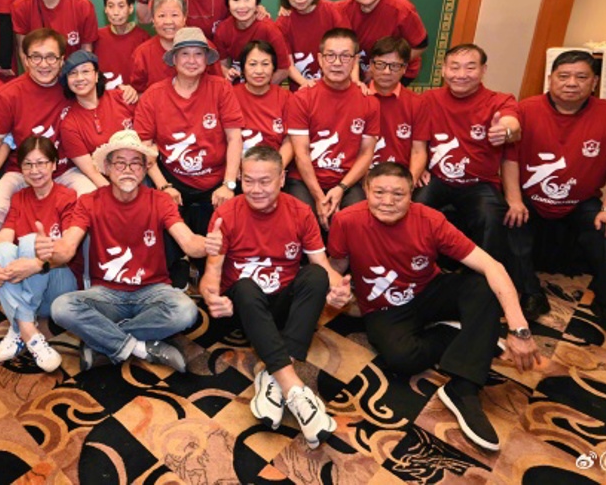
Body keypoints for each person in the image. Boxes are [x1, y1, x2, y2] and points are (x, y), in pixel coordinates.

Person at [329, 162, 542, 452]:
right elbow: (336, 266)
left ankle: (463, 389)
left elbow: (492, 266)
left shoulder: (430, 219)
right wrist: (335, 290)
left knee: (483, 285)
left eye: (398, 194)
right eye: (379, 193)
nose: (388, 201)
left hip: (429, 291)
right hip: (383, 306)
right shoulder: (346, 220)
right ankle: (466, 335)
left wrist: (520, 329)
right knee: (403, 360)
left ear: (411, 194)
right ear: (366, 190)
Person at [200, 145, 349, 449]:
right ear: (240, 178)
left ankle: (274, 376)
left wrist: (339, 288)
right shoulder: (225, 214)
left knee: (316, 276)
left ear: (281, 179)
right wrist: (211, 297)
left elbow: (322, 265)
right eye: (248, 180)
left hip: (282, 304)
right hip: (243, 306)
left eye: (265, 181)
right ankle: (295, 389)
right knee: (245, 286)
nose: (256, 189)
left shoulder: (300, 212)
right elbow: (210, 277)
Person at [43, 130, 221, 372]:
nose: (128, 169)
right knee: (61, 308)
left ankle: (103, 341)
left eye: (135, 163)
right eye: (120, 163)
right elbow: (66, 249)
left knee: (186, 311)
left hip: (152, 291)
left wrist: (208, 244)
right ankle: (141, 347)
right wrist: (51, 250)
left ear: (145, 169)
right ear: (107, 167)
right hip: (105, 294)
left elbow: (189, 243)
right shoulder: (89, 201)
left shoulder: (160, 201)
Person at [503, 50, 606, 337]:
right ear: (550, 79)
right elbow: (509, 159)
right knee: (507, 221)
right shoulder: (526, 110)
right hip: (531, 197)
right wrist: (514, 200)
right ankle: (532, 294)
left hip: (582, 200)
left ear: (594, 82)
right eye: (564, 76)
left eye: (581, 77)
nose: (571, 83)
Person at [135, 27, 243, 283]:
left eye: (198, 54)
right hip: (173, 180)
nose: (192, 60)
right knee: (159, 225)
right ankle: (177, 270)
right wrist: (164, 186)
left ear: (207, 59)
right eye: (185, 54)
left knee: (222, 265)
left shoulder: (221, 88)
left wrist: (228, 184)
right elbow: (144, 146)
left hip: (216, 181)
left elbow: (234, 138)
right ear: (174, 59)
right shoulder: (154, 95)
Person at [0, 28, 97, 242]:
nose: (43, 64)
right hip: (23, 172)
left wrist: (128, 91)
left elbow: (100, 95)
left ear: (62, 60)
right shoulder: (7, 95)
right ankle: (13, 258)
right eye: (36, 57)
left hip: (66, 170)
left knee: (90, 199)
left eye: (51, 57)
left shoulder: (72, 87)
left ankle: (72, 260)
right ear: (25, 60)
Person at [0, 136, 78, 371]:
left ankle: (18, 326)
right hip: (31, 293)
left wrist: (37, 261)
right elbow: (4, 235)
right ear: (21, 168)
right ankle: (29, 332)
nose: (35, 171)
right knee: (2, 250)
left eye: (41, 163)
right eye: (28, 164)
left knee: (31, 243)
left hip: (58, 288)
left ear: (54, 164)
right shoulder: (19, 198)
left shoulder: (68, 197)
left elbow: (67, 251)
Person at [418, 44, 520, 263]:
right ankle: (417, 268)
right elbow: (417, 143)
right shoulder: (429, 99)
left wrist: (505, 130)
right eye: (454, 67)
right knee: (414, 209)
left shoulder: (499, 100)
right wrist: (420, 169)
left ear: (483, 70)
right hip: (437, 178)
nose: (461, 74)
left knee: (491, 217)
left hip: (479, 182)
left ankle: (484, 276)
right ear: (443, 70)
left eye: (470, 68)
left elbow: (512, 124)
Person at [286, 29, 379, 229]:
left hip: (346, 181)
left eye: (345, 56)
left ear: (355, 61)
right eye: (330, 55)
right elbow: (301, 153)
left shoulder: (369, 101)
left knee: (357, 221)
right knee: (303, 219)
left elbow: (366, 153)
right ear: (320, 59)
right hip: (304, 180)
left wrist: (341, 188)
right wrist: (319, 196)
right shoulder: (302, 98)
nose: (337, 63)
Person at [334, 0, 428, 84]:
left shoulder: (401, 8)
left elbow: (420, 45)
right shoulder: (340, 10)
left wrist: (381, 69)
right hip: (357, 72)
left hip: (393, 73)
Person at [60, 50, 136, 188]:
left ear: (96, 76)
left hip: (138, 171)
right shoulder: (69, 124)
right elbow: (93, 172)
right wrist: (115, 195)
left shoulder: (122, 97)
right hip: (106, 182)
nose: (79, 78)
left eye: (85, 71)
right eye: (72, 73)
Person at [129, 0, 218, 93]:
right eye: (161, 16)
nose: (168, 22)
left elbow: (217, 87)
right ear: (153, 19)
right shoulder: (142, 54)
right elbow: (138, 93)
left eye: (174, 15)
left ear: (184, 18)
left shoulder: (205, 47)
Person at [367, 37, 428, 183]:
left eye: (394, 66)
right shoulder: (357, 97)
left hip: (400, 176)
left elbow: (418, 151)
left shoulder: (417, 103)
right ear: (371, 65)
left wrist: (409, 183)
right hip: (362, 175)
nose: (387, 72)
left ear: (404, 68)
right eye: (380, 64)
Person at [213, 0, 290, 84]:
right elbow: (222, 65)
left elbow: (283, 70)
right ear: (228, 3)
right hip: (236, 90)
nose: (242, 6)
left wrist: (259, 89)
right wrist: (227, 73)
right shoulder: (223, 30)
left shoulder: (269, 30)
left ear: (257, 2)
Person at [276, 0, 339, 91]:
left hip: (334, 87)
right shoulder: (283, 22)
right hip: (302, 91)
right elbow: (287, 64)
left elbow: (347, 52)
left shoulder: (332, 11)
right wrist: (306, 84)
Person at [233, 41, 293, 167]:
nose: (259, 71)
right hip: (239, 167)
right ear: (243, 67)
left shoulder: (286, 97)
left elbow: (290, 140)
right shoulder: (230, 96)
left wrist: (276, 169)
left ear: (273, 67)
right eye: (252, 64)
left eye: (265, 64)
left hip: (275, 167)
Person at [94, 0, 148, 89]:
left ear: (131, 8)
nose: (116, 12)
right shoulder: (96, 37)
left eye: (121, 6)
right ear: (105, 9)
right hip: (103, 97)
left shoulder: (143, 39)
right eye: (110, 6)